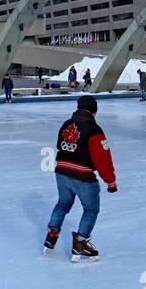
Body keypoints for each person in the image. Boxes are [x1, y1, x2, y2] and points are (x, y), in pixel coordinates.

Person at [44, 94, 115, 263]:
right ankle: (81, 244)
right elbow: (102, 159)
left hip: (61, 172)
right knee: (91, 210)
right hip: (82, 175)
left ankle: (52, 234)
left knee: (63, 204)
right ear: (93, 110)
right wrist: (110, 181)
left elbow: (60, 145)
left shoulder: (66, 124)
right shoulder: (94, 129)